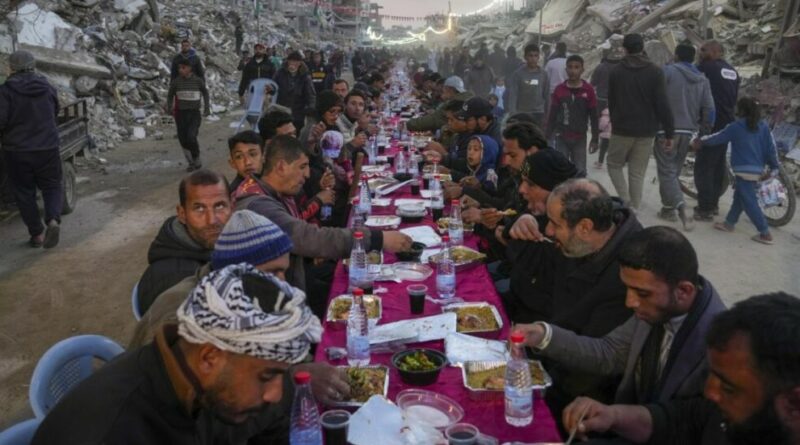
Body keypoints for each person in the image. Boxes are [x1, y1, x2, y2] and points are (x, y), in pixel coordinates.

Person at [32, 263, 323, 445]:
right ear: (210, 356)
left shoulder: (195, 379)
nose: (274, 392)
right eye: (266, 376)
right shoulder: (114, 431)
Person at [517, 226, 726, 419]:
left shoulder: (720, 349)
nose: (630, 302)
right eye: (627, 288)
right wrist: (543, 336)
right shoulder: (656, 308)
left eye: (642, 293)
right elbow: (610, 353)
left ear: (684, 291)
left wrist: (618, 417)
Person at [560, 292, 800, 445]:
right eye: (712, 376)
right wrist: (614, 415)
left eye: (728, 387)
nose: (710, 392)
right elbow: (681, 420)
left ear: (794, 403)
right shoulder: (728, 413)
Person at [234, 136, 412, 295]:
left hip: (299, 274)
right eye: (302, 167)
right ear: (281, 166)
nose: (307, 174)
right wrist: (377, 239)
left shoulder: (275, 192)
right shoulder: (258, 204)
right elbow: (308, 238)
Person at [537, 178, 643, 424]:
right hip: (556, 356)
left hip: (588, 395)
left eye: (554, 224)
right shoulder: (583, 241)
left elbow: (597, 361)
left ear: (585, 227)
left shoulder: (628, 273)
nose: (548, 231)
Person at [136, 170, 232, 315]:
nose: (212, 220)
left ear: (232, 207)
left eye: (219, 206)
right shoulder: (175, 281)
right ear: (182, 214)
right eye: (199, 208)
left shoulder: (214, 250)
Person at [500, 150, 580, 323]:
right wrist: (518, 223)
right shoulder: (536, 214)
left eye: (531, 184)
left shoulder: (572, 237)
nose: (522, 189)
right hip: (518, 303)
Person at [692, 97, 780, 245]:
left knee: (750, 202)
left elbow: (717, 138)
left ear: (741, 110)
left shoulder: (735, 126)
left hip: (742, 169)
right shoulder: (764, 126)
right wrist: (774, 167)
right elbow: (771, 149)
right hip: (757, 169)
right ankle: (729, 223)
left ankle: (765, 233)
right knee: (739, 197)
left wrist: (700, 141)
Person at [0, 50, 63, 248]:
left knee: (24, 192)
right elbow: (55, 110)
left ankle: (37, 235)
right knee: (52, 186)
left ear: (11, 68)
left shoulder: (5, 91)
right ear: (33, 65)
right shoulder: (47, 86)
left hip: (17, 151)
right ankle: (52, 220)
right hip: (47, 147)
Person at [607, 33, 674, 209]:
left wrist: (615, 121)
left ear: (625, 48)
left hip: (622, 129)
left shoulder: (616, 71)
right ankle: (634, 207)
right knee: (637, 173)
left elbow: (611, 101)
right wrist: (669, 133)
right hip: (646, 131)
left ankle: (625, 200)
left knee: (614, 165)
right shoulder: (655, 71)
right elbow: (663, 104)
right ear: (642, 47)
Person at [655, 42, 715, 229]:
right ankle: (667, 209)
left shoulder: (668, 71)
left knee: (666, 171)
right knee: (673, 171)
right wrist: (703, 133)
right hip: (688, 132)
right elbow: (710, 109)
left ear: (677, 56)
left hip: (666, 131)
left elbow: (654, 96)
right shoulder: (702, 79)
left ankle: (679, 208)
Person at [694, 40, 741, 221]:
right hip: (727, 122)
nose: (700, 52)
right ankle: (712, 204)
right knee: (717, 164)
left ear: (715, 51)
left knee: (704, 165)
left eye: (704, 50)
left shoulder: (707, 67)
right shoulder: (732, 71)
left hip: (711, 122)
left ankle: (705, 208)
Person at [546, 54, 599, 172]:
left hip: (580, 137)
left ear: (582, 70)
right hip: (562, 136)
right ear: (566, 70)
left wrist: (595, 138)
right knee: (561, 170)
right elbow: (553, 115)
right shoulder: (559, 90)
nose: (573, 70)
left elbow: (594, 116)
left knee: (580, 171)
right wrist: (547, 135)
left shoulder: (588, 90)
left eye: (576, 67)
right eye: (570, 67)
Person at [166, 60, 210, 172]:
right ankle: (191, 162)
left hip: (194, 113)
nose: (180, 70)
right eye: (179, 68)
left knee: (191, 136)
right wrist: (170, 106)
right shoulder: (176, 82)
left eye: (183, 67)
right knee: (183, 138)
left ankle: (196, 157)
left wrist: (206, 108)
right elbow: (170, 94)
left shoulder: (198, 81)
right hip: (181, 114)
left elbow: (205, 93)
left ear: (190, 68)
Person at [406, 75, 473, 134]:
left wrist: (407, 124)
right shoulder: (467, 100)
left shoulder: (453, 104)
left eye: (444, 88)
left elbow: (433, 120)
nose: (442, 91)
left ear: (449, 89)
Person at [506, 43, 550, 126]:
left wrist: (547, 115)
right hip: (522, 113)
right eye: (530, 56)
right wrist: (513, 114)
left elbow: (547, 95)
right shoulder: (518, 74)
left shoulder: (543, 74)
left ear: (538, 57)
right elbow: (513, 95)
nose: (533, 59)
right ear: (525, 57)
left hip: (538, 113)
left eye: (535, 56)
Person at [272, 51, 316, 133]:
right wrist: (270, 89)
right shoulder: (280, 73)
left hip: (298, 111)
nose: (293, 63)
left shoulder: (305, 76)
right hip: (282, 110)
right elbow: (273, 86)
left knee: (297, 133)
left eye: (296, 61)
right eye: (291, 61)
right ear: (287, 61)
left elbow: (310, 94)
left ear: (300, 63)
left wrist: (311, 107)